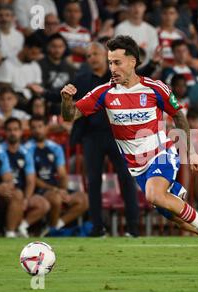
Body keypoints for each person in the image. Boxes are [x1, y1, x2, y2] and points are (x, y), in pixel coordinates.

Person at [60, 35, 198, 275]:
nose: (112, 68)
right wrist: (66, 100)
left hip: (162, 154)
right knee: (177, 217)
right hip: (138, 168)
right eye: (110, 62)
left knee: (155, 194)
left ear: (133, 61)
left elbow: (179, 116)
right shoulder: (104, 93)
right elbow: (70, 116)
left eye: (117, 62)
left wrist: (191, 150)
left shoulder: (155, 88)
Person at [69, 41, 140, 237]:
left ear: (105, 57)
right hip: (92, 136)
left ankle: (133, 228)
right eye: (89, 56)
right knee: (93, 182)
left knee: (127, 179)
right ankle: (97, 228)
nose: (92, 58)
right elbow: (67, 96)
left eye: (95, 55)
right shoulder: (82, 79)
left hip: (119, 135)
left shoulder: (119, 76)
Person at [24, 115, 89, 236]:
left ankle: (54, 227)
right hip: (37, 189)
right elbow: (31, 178)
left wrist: (63, 190)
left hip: (55, 188)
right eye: (33, 127)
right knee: (56, 198)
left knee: (84, 199)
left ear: (46, 128)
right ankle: (52, 231)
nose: (37, 130)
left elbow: (62, 174)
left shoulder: (55, 148)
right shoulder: (26, 149)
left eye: (40, 126)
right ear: (30, 130)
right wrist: (55, 190)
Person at [0, 117, 50, 237]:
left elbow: (31, 180)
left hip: (21, 192)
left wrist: (27, 199)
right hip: (2, 192)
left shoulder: (26, 152)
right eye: (9, 130)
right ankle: (10, 233)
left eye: (16, 129)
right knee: (17, 195)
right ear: (5, 132)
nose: (12, 133)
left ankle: (21, 227)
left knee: (43, 204)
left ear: (21, 132)